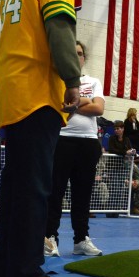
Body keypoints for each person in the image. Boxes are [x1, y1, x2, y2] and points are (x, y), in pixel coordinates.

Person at [0, 0, 85, 277]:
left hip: (13, 91)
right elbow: (59, 27)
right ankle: (27, 272)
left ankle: (4, 268)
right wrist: (72, 79)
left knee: (15, 186)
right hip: (38, 92)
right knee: (34, 188)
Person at [45, 41, 105, 258]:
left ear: (84, 58)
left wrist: (75, 101)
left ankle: (81, 239)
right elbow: (57, 105)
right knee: (55, 192)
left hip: (88, 142)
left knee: (83, 194)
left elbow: (98, 108)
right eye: (73, 53)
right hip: (61, 139)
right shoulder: (57, 80)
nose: (77, 57)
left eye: (80, 54)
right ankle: (50, 237)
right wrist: (84, 101)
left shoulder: (93, 81)